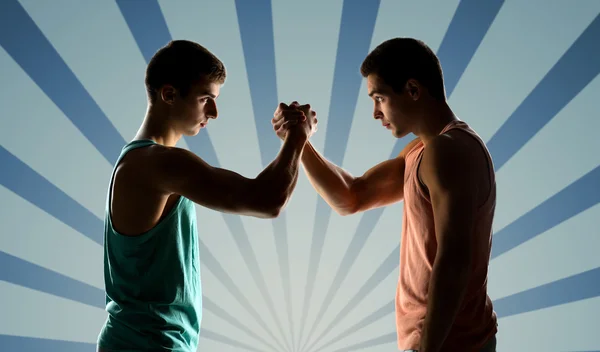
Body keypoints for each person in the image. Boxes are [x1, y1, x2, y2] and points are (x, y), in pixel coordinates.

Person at [273, 37, 498, 352]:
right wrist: (299, 140)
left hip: (450, 344)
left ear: (413, 90)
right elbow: (352, 196)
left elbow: (455, 260)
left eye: (379, 98)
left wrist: (428, 348)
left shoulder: (447, 152)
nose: (375, 113)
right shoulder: (423, 150)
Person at [97, 40, 315, 352]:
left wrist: (294, 139)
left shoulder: (145, 162)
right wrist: (298, 135)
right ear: (169, 95)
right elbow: (267, 199)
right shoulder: (157, 163)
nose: (213, 112)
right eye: (205, 99)